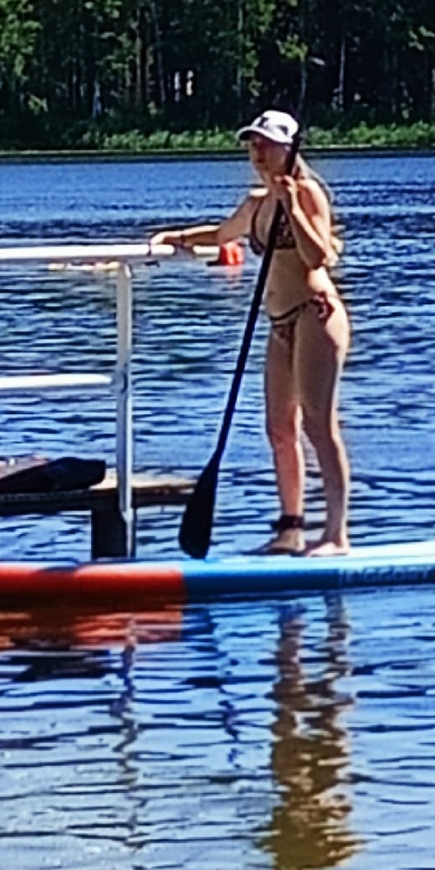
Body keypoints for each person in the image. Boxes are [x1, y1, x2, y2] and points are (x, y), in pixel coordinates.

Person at [155, 110, 350, 554]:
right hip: (279, 323)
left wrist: (292, 207)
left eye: (266, 144)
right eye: (253, 144)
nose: (257, 152)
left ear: (289, 149)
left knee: (318, 424)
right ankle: (290, 528)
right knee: (279, 428)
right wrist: (178, 237)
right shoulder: (256, 202)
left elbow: (318, 256)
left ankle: (336, 534)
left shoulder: (307, 193)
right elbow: (224, 234)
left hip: (316, 315)